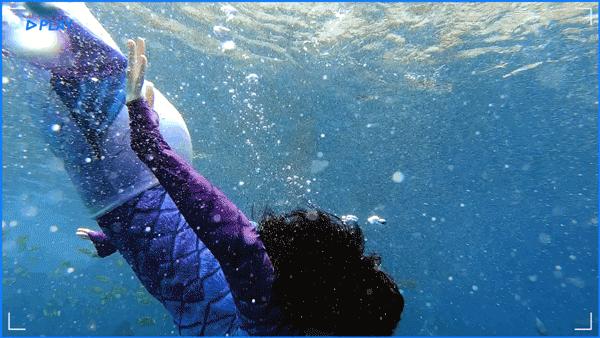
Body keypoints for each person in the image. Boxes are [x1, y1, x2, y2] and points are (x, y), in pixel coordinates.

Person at [125, 34, 405, 336]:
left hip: (141, 173)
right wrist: (124, 237)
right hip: (138, 189)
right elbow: (208, 253)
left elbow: (238, 241)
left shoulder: (266, 304)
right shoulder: (278, 317)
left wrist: (149, 143)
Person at [3, 3, 239, 335]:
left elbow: (210, 246)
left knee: (45, 43)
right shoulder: (258, 323)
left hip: (137, 182)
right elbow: (237, 246)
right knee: (32, 39)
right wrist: (146, 130)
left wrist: (119, 238)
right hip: (132, 169)